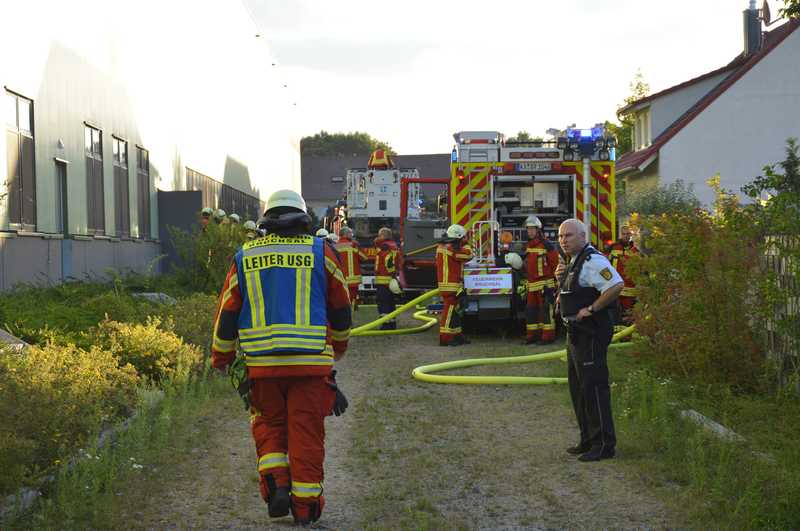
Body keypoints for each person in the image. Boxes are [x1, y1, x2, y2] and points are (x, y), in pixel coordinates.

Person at [210, 189, 352, 525]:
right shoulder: (322, 252)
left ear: (268, 219)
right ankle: (305, 508)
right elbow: (342, 308)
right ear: (303, 217)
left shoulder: (245, 256)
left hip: (261, 368)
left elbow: (228, 314)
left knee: (269, 428)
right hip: (310, 366)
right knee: (305, 433)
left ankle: (277, 487)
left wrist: (222, 357)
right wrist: (340, 348)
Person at [556, 218, 623, 462]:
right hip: (575, 334)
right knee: (579, 389)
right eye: (561, 236)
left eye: (569, 235)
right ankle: (587, 439)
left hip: (591, 334)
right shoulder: (573, 261)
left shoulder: (594, 260)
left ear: (583, 236)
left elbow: (615, 285)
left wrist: (592, 309)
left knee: (594, 389)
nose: (564, 240)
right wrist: (559, 279)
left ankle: (604, 444)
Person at [523, 215, 559, 345]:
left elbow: (555, 263)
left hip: (545, 284)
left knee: (545, 311)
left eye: (532, 229)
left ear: (538, 230)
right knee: (531, 311)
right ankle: (532, 336)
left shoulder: (547, 245)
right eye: (528, 229)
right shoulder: (529, 245)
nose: (530, 231)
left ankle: (547, 337)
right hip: (532, 285)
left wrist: (555, 282)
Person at [435, 224, 473, 346]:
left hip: (449, 284)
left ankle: (457, 335)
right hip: (450, 285)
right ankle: (445, 337)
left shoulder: (444, 246)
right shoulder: (451, 248)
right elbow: (468, 255)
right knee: (449, 311)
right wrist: (466, 244)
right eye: (463, 238)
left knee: (455, 311)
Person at [605, 225, 639, 324]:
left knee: (628, 317)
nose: (626, 236)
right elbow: (606, 264)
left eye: (628, 234)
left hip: (630, 290)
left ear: (631, 235)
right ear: (620, 235)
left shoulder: (635, 252)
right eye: (623, 234)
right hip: (615, 288)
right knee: (614, 316)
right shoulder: (614, 248)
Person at [374, 227, 401, 330]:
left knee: (383, 303)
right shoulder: (393, 245)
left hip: (383, 279)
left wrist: (391, 272)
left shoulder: (385, 246)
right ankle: (392, 323)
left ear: (383, 236)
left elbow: (388, 261)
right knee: (390, 303)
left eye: (379, 235)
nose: (378, 237)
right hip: (390, 280)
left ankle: (385, 324)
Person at [335, 226, 368, 311]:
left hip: (340, 279)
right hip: (353, 280)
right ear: (346, 234)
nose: (352, 235)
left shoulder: (335, 245)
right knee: (352, 300)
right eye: (350, 233)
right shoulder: (353, 245)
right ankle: (351, 318)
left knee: (342, 300)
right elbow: (364, 257)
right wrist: (358, 247)